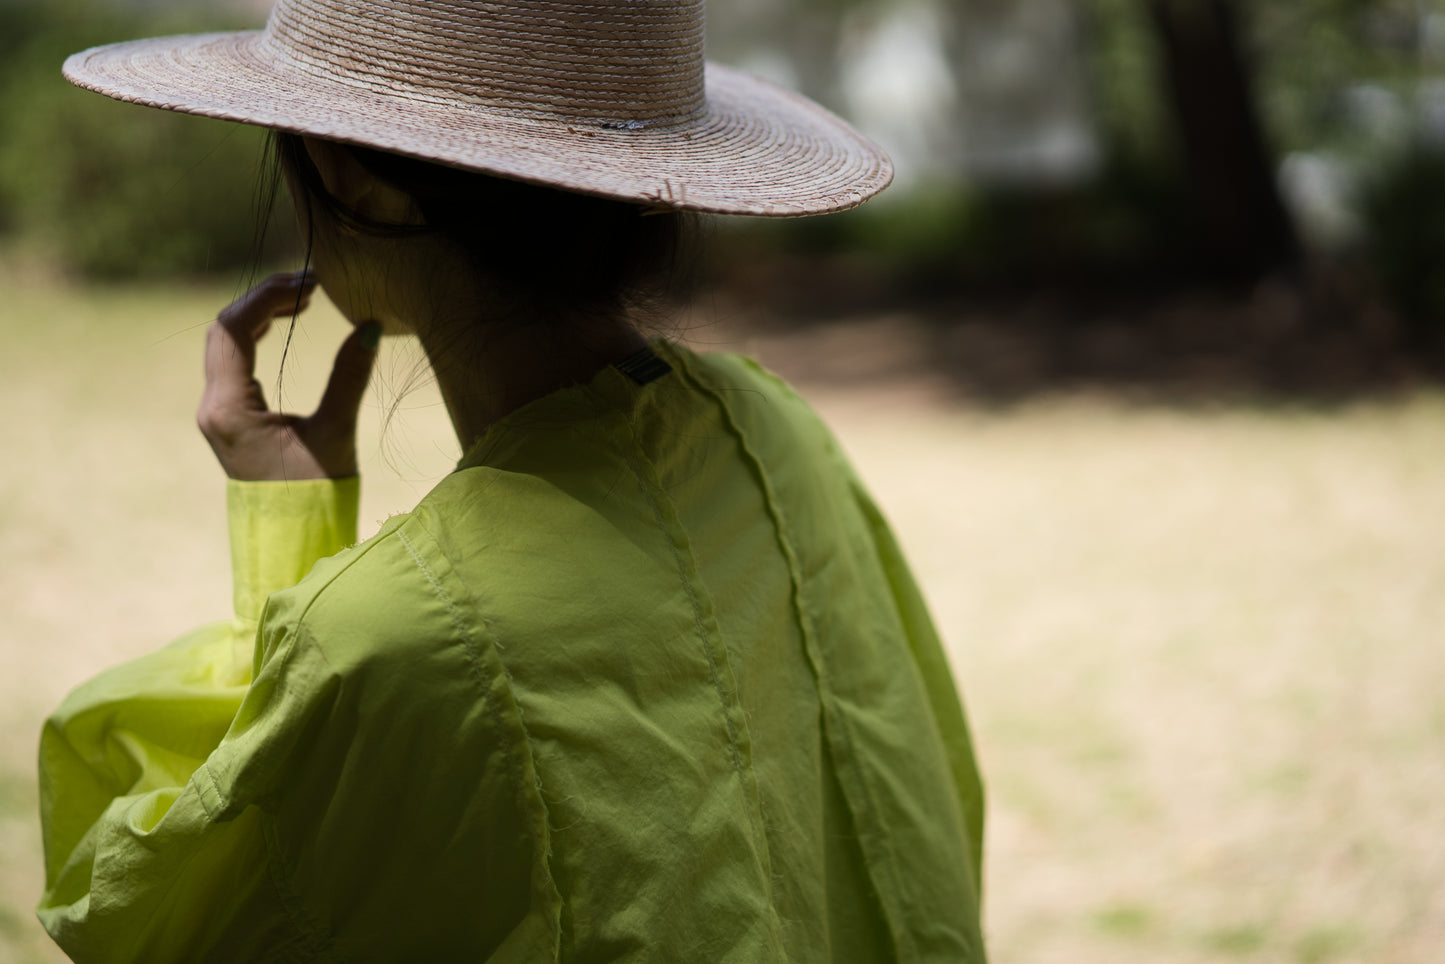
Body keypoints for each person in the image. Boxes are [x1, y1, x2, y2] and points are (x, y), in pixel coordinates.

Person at [40, 1, 987, 961]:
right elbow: (921, 819)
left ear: (341, 167)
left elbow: (150, 913)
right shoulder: (780, 434)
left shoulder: (393, 637)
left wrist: (284, 548)